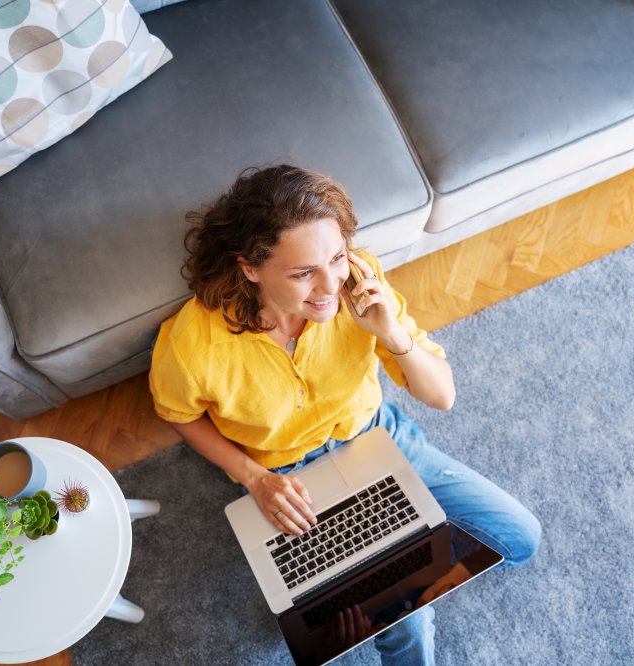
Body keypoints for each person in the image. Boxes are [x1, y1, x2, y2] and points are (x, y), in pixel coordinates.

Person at [149, 164, 541, 665]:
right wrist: (254, 478)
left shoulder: (360, 282)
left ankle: (380, 574)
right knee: (408, 637)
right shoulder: (191, 344)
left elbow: (441, 396)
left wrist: (392, 334)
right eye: (302, 272)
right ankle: (377, 580)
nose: (331, 284)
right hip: (291, 477)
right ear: (250, 268)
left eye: (336, 257)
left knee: (519, 539)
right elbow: (180, 416)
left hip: (378, 436)